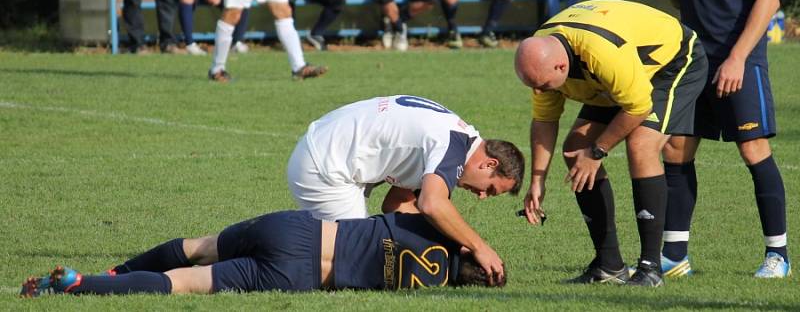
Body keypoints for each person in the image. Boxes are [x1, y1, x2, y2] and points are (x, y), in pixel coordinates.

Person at [653, 0, 790, 278]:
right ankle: (675, 257)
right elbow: (684, 2)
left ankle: (778, 256)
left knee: (753, 151)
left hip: (739, 61)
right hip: (693, 61)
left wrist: (737, 58)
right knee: (676, 149)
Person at [514, 0, 708, 287]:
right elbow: (544, 121)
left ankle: (650, 268)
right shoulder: (542, 57)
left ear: (560, 65)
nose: (539, 91)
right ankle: (610, 266)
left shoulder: (600, 53)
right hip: (619, 75)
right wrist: (537, 180)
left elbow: (638, 107)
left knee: (641, 146)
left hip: (673, 61)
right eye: (534, 86)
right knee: (573, 149)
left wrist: (597, 151)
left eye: (543, 85)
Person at [286, 94, 525, 284]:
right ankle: (257, 270)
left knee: (341, 247)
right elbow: (431, 204)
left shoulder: (459, 137)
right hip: (324, 164)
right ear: (489, 164)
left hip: (324, 146)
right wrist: (479, 247)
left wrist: (456, 241)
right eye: (491, 189)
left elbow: (397, 204)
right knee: (350, 259)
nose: (482, 196)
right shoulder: (453, 148)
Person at [20, 210, 504, 297]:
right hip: (301, 275)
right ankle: (83, 284)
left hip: (300, 230)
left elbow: (400, 204)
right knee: (184, 284)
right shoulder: (431, 284)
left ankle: (117, 271)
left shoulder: (435, 228)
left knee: (196, 249)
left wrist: (475, 240)